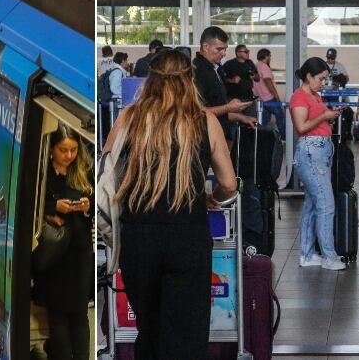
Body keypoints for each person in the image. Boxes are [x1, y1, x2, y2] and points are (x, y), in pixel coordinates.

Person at [103, 49, 238, 359]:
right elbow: (229, 183)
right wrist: (208, 198)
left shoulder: (129, 117)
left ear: (150, 79)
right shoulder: (204, 121)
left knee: (149, 329)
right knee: (185, 335)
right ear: (188, 80)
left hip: (138, 238)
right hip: (187, 235)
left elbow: (106, 168)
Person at [35, 124, 93, 360]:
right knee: (57, 313)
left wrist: (87, 206)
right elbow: (31, 205)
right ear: (51, 149)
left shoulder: (84, 169)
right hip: (54, 254)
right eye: (63, 150)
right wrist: (52, 207)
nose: (69, 156)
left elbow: (95, 201)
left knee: (79, 314)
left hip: (79, 253)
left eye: (73, 150)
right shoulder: (41, 172)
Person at [289, 57, 347, 271]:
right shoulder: (299, 97)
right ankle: (329, 257)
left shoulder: (315, 95)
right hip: (311, 152)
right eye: (321, 79)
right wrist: (324, 115)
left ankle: (307, 254)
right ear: (308, 76)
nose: (323, 83)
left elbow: (315, 121)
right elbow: (301, 126)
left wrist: (327, 116)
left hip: (321, 150)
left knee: (313, 205)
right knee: (326, 204)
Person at [192, 27, 254, 143]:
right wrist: (228, 107)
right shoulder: (198, 71)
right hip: (205, 138)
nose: (224, 53)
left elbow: (217, 107)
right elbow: (197, 111)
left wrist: (241, 117)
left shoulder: (216, 68)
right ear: (206, 47)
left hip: (218, 134)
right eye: (219, 49)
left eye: (225, 49)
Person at [253, 49, 285, 137]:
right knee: (281, 117)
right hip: (269, 98)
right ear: (266, 56)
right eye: (270, 56)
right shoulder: (264, 66)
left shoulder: (256, 65)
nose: (270, 58)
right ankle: (283, 137)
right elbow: (268, 82)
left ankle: (262, 139)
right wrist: (277, 97)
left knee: (264, 121)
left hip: (260, 98)